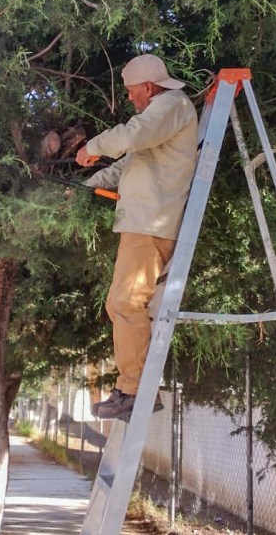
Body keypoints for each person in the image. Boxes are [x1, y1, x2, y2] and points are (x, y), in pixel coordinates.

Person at [76, 54, 199, 420]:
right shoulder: (159, 118)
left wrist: (92, 147)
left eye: (131, 92)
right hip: (142, 224)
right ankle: (131, 389)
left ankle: (135, 392)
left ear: (148, 87)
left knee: (126, 303)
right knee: (121, 304)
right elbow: (128, 164)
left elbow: (132, 135)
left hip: (150, 224)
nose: (130, 99)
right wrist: (87, 185)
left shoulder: (171, 105)